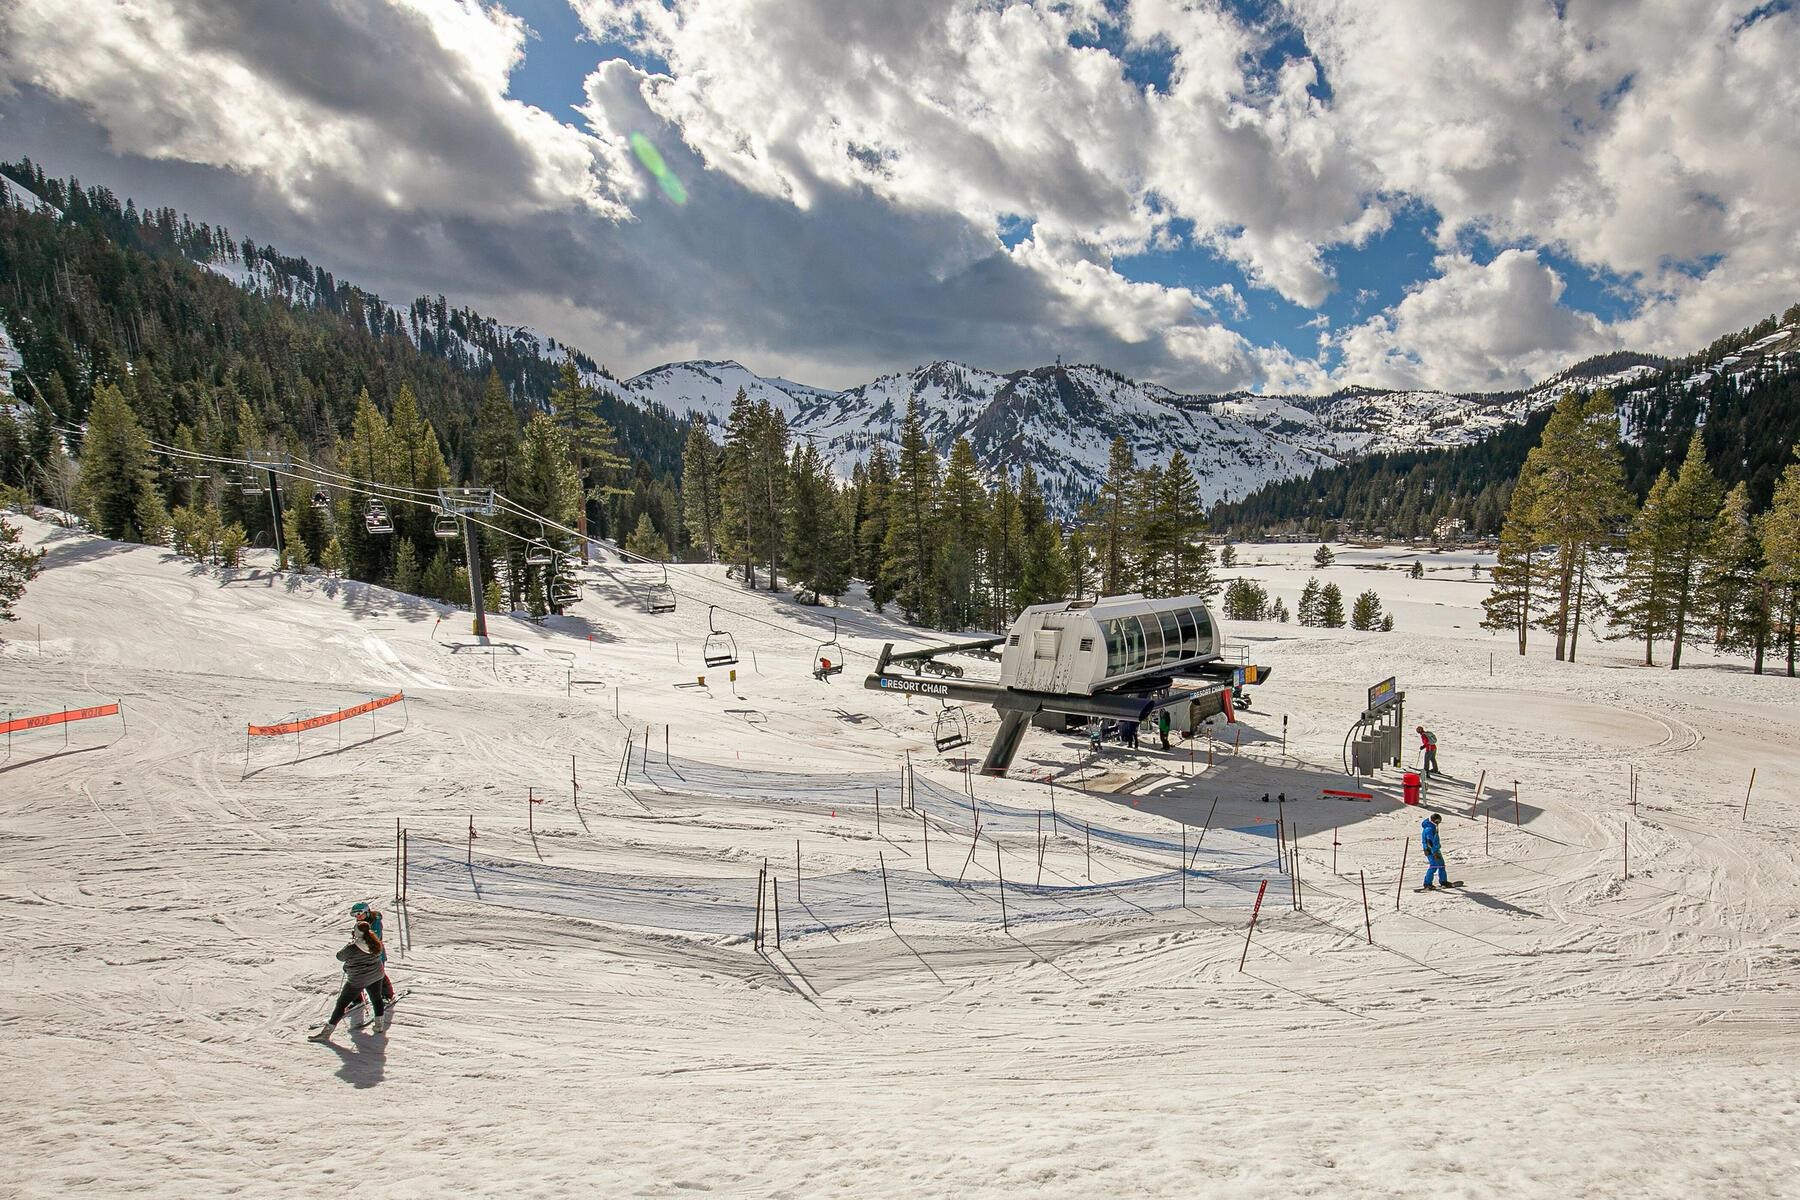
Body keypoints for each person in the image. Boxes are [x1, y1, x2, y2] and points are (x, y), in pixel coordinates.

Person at [309, 921, 390, 1040]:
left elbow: (340, 956)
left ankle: (326, 1033)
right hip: (376, 975)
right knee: (376, 998)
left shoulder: (353, 946)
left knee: (341, 1003)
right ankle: (379, 1025)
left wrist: (351, 944)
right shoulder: (375, 943)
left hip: (358, 979)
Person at [350, 901, 395, 1011]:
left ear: (367, 912)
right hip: (361, 955)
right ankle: (357, 999)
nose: (358, 916)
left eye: (360, 913)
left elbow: (375, 938)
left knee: (378, 976)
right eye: (354, 914)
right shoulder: (360, 922)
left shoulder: (375, 923)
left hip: (375, 954)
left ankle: (388, 996)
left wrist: (358, 941)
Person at [1420, 813, 1451, 889]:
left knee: (1441, 865)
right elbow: (1429, 842)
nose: (1438, 823)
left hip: (1435, 849)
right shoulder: (1429, 829)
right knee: (1434, 866)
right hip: (1430, 850)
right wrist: (1434, 853)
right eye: (1437, 821)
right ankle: (1427, 883)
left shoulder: (1432, 826)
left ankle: (1443, 881)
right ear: (1434, 820)